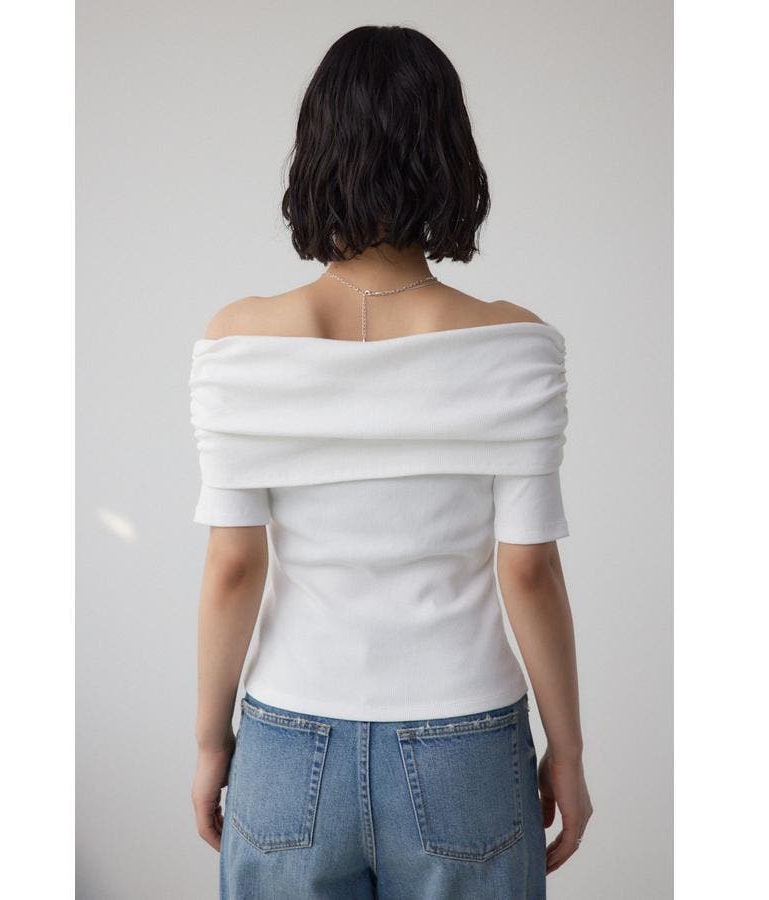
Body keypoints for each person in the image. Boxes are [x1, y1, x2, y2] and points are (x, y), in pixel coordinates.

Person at [189, 24, 592, 900]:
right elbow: (529, 570)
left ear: (316, 155)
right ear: (450, 157)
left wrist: (211, 744)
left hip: (288, 741)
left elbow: (233, 568)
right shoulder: (515, 344)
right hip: (466, 744)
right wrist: (567, 750)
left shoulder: (239, 343)